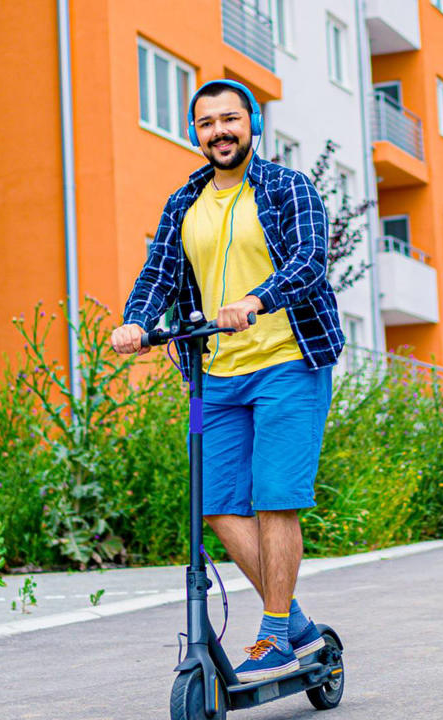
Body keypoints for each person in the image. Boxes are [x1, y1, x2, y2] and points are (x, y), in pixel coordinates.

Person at [110, 79, 343, 682]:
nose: (219, 130)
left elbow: (310, 260)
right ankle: (294, 627)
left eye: (230, 118)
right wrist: (136, 322)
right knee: (217, 507)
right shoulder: (183, 202)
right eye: (207, 122)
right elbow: (158, 272)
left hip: (288, 361)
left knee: (273, 498)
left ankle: (271, 634)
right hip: (215, 373)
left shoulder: (289, 187)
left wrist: (257, 299)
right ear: (197, 133)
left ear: (252, 124)